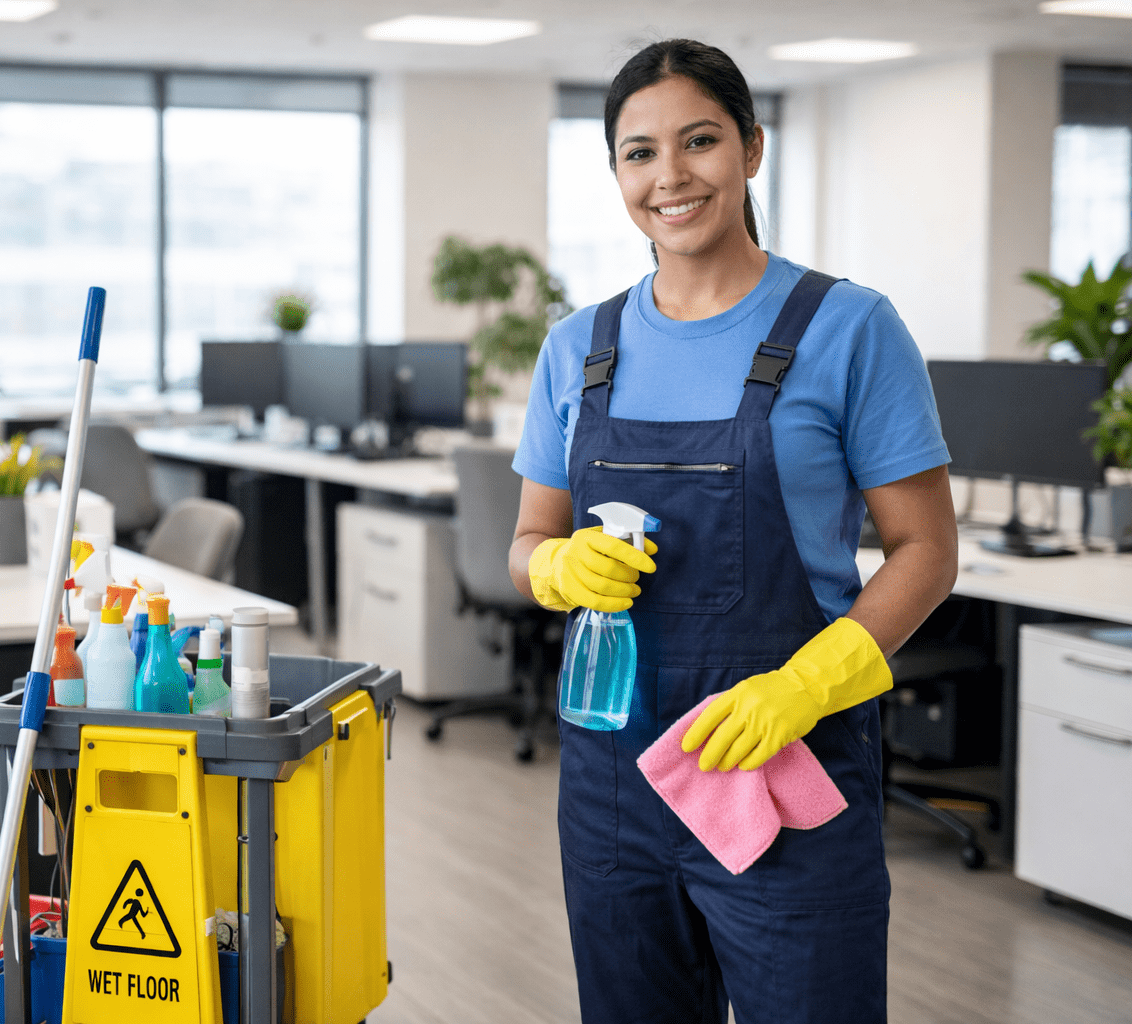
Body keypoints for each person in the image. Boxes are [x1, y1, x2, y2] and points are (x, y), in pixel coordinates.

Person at [509, 38, 957, 1024]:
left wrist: (809, 685)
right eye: (639, 153)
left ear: (751, 148)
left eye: (699, 140)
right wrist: (556, 569)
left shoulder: (849, 328)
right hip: (613, 778)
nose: (669, 175)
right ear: (616, 173)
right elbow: (528, 537)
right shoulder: (577, 348)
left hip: (786, 763)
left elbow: (927, 550)